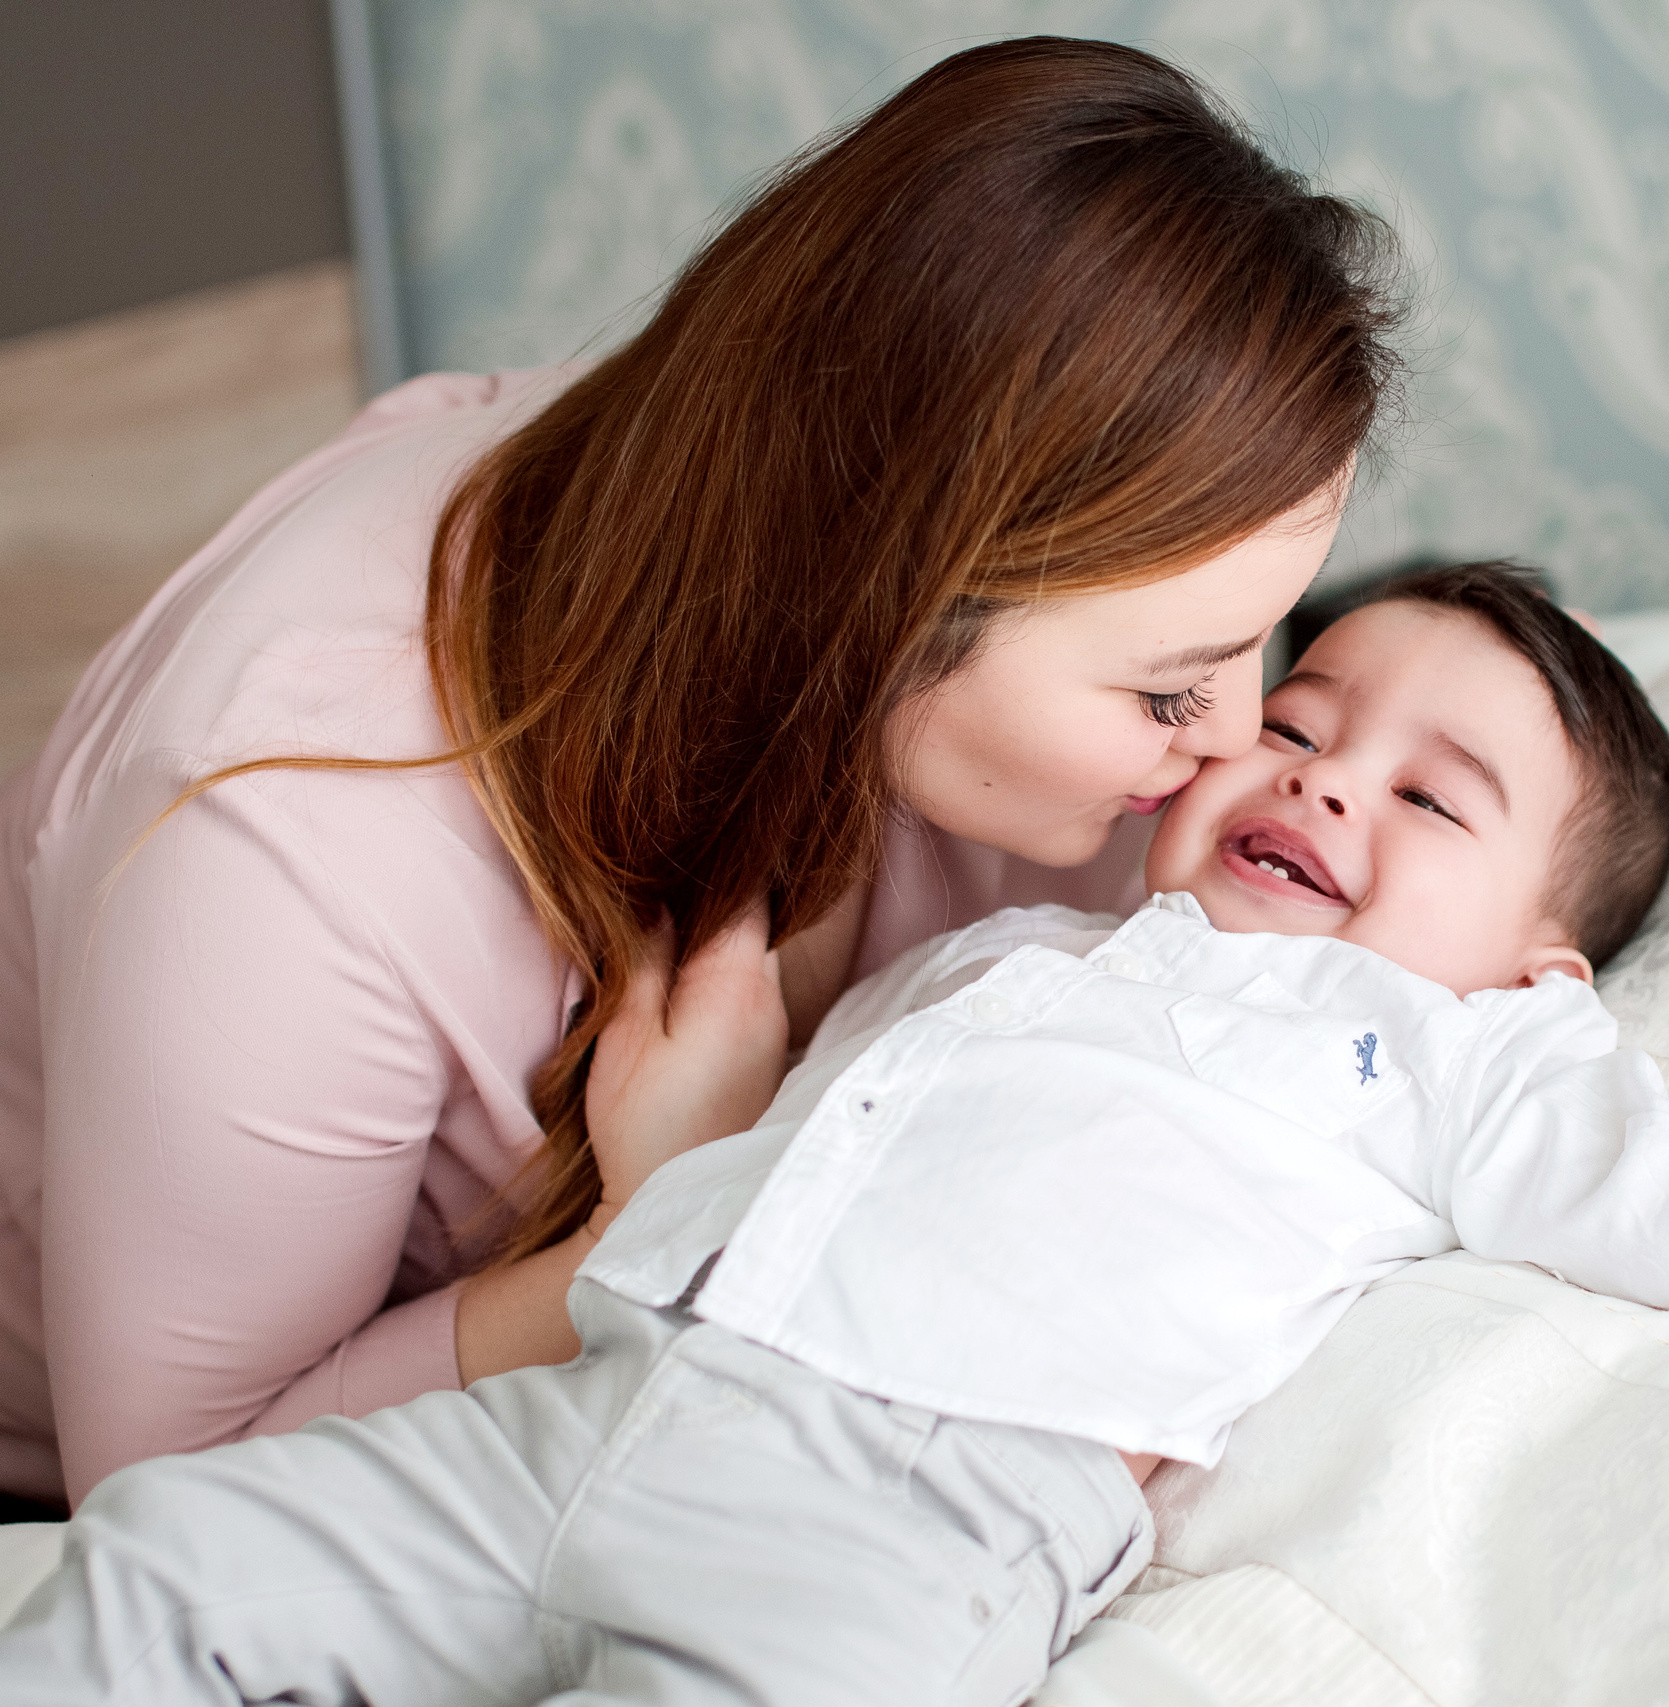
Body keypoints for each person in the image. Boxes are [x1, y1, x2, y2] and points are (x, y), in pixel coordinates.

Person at [0, 564, 1669, 1705]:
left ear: (1537, 966)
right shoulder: (1030, 948)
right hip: (623, 1390)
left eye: (1426, 798)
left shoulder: (1449, 1059)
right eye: (1302, 717)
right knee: (181, 1567)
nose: (1323, 776)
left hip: (906, 1511)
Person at [0, 38, 1401, 1514]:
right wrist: (669, 1219)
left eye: (1258, 649)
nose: (1235, 736)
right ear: (881, 596)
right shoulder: (282, 856)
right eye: (1171, 686)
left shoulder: (771, 496)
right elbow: (170, 1508)